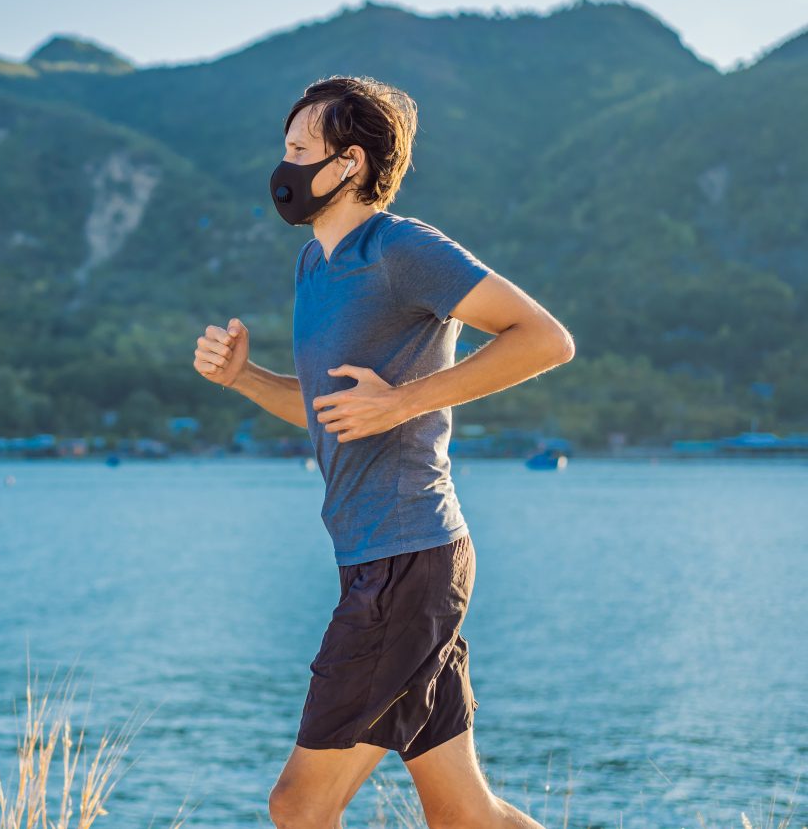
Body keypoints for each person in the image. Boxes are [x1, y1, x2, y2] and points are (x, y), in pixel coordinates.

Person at [192, 75, 575, 828]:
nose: (286, 166)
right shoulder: (314, 266)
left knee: (299, 807)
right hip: (387, 561)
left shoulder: (402, 248)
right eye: (285, 149)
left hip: (407, 563)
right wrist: (244, 378)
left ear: (351, 164)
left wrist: (402, 400)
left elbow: (546, 339)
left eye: (303, 150)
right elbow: (328, 414)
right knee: (468, 816)